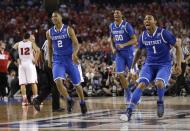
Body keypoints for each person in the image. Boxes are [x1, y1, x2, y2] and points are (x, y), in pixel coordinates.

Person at [120, 15, 182, 121]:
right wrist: (132, 66)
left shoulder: (163, 33)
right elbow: (139, 51)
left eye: (149, 19)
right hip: (149, 65)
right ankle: (129, 111)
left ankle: (160, 101)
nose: (146, 21)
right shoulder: (143, 36)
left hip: (164, 64)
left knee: (159, 83)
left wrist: (179, 64)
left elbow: (178, 47)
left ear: (155, 21)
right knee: (141, 84)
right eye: (145, 19)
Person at [47, 11, 87, 114]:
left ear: (61, 17)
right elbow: (50, 47)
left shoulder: (68, 29)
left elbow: (76, 44)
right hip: (58, 60)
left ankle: (82, 102)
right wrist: (49, 60)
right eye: (52, 17)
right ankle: (69, 100)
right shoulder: (49, 32)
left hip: (70, 60)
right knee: (58, 81)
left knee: (77, 85)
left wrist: (75, 54)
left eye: (56, 16)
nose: (54, 18)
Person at [109, 10, 137, 103]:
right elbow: (111, 39)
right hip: (119, 54)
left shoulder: (126, 26)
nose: (116, 14)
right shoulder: (111, 26)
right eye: (115, 13)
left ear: (122, 15)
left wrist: (123, 45)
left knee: (134, 76)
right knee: (120, 75)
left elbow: (134, 40)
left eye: (118, 13)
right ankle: (128, 93)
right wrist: (112, 48)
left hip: (129, 53)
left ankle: (137, 94)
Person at [33, 40, 64, 112]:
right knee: (56, 85)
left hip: (47, 64)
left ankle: (37, 100)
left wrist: (44, 63)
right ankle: (56, 107)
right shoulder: (59, 40)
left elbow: (42, 51)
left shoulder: (46, 40)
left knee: (49, 86)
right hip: (54, 63)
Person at [13, 32, 40, 106]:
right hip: (29, 64)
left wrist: (17, 59)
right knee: (33, 82)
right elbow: (38, 50)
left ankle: (24, 101)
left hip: (21, 65)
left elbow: (11, 51)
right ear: (28, 38)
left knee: (22, 83)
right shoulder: (31, 43)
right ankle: (36, 99)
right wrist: (35, 60)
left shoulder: (18, 43)